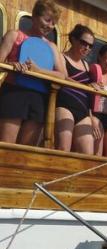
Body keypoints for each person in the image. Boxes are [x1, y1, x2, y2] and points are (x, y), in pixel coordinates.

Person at [0, 0, 66, 146]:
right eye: (47, 20)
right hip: (14, 93)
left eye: (53, 22)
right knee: (5, 146)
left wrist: (38, 71)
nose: (50, 26)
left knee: (26, 151)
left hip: (39, 98)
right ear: (35, 16)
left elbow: (62, 75)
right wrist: (10, 65)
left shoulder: (52, 47)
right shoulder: (14, 35)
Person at [55, 24, 99, 154]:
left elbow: (88, 94)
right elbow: (63, 77)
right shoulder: (62, 57)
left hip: (83, 111)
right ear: (73, 39)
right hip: (65, 107)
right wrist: (86, 86)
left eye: (90, 46)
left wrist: (91, 117)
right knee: (63, 149)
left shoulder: (86, 65)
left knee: (87, 155)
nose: (87, 48)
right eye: (84, 43)